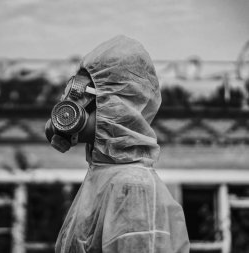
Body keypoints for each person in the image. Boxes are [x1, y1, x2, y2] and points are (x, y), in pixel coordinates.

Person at [45, 35, 190, 253]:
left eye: (79, 92)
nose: (68, 102)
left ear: (116, 103)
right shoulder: (104, 177)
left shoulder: (132, 187)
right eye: (69, 90)